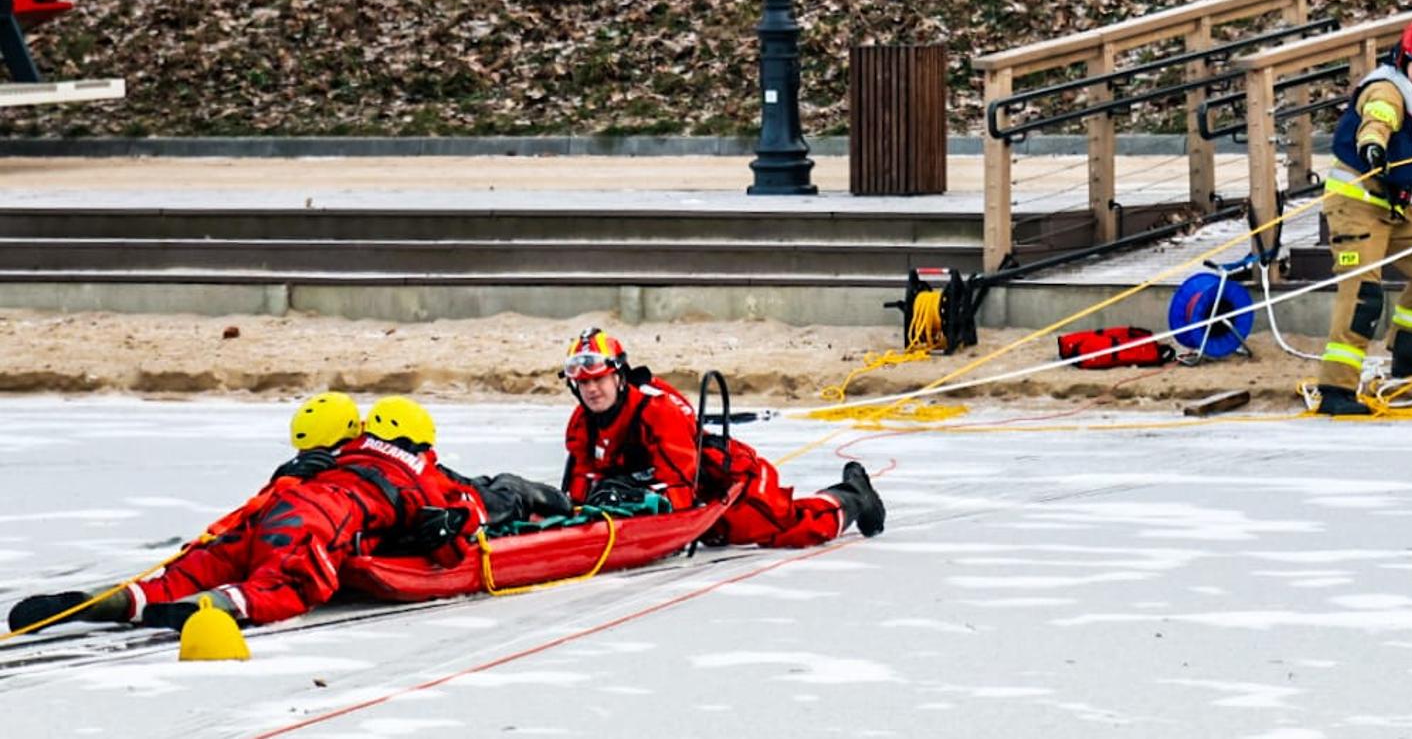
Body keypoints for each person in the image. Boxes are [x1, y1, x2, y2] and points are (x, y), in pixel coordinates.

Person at [7, 395, 488, 632]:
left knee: (201, 561)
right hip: (327, 516)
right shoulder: (421, 471)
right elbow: (457, 531)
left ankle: (114, 599)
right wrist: (453, 526)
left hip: (269, 511)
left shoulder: (325, 458)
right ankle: (215, 609)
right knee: (287, 581)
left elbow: (276, 493)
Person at [559, 327, 883, 547]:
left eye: (598, 380)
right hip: (654, 497)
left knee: (791, 528)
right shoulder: (581, 423)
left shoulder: (656, 411)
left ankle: (855, 496)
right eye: (583, 384)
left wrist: (633, 505)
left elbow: (680, 489)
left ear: (618, 376)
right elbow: (579, 483)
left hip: (723, 482)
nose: (591, 390)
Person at [1312, 15, 1412, 416]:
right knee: (1363, 294)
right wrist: (1373, 147)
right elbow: (1378, 121)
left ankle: (1411, 352)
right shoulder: (1385, 89)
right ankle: (1335, 389)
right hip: (1356, 203)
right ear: (1402, 58)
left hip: (1394, 206)